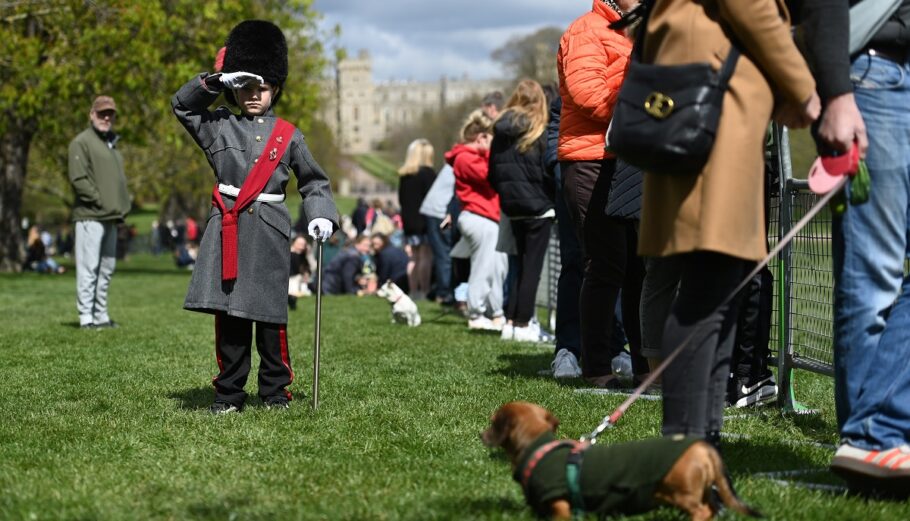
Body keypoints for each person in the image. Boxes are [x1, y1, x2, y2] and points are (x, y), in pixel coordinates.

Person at [637, 1, 818, 445]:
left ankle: (697, 448)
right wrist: (804, 90)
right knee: (708, 290)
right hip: (711, 113)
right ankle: (687, 453)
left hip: (703, 106)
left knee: (716, 287)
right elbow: (752, 8)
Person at [172, 20, 338, 414]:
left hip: (268, 229)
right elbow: (182, 105)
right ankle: (228, 393)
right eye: (245, 86)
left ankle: (275, 391)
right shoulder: (218, 125)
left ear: (275, 89)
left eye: (261, 87)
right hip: (227, 226)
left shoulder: (289, 135)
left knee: (269, 320)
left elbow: (314, 182)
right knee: (229, 320)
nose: (252, 94)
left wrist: (321, 215)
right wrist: (215, 81)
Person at [830, 0, 910, 487]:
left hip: (882, 74)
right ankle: (872, 439)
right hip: (876, 72)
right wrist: (837, 92)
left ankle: (873, 431)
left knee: (873, 274)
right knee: (873, 273)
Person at [556, 0, 639, 387]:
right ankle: (597, 368)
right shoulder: (587, 30)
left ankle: (645, 364)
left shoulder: (636, 30)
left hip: (628, 159)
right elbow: (588, 94)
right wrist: (642, 90)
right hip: (590, 160)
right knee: (604, 265)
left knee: (638, 266)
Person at [488, 79, 554, 342]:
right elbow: (546, 169)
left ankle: (511, 321)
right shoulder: (538, 129)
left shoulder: (501, 132)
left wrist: (507, 194)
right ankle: (524, 323)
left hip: (512, 206)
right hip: (538, 206)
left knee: (518, 264)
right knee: (532, 268)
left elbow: (492, 172)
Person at [68, 94, 131, 329]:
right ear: (91, 115)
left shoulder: (112, 145)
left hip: (111, 216)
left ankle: (101, 315)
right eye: (102, 113)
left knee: (106, 268)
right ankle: (86, 317)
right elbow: (79, 179)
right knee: (89, 268)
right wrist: (100, 201)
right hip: (90, 216)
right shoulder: (81, 142)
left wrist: (121, 206)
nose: (106, 117)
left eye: (110, 114)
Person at [446, 109, 507, 331]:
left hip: (489, 218)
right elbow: (489, 174)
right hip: (478, 217)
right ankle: (476, 313)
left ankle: (496, 312)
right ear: (481, 137)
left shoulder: (472, 156)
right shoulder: (464, 158)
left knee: (497, 267)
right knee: (483, 267)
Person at [397, 138, 436, 299]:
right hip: (424, 221)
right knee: (425, 256)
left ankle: (413, 291)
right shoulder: (428, 174)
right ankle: (424, 290)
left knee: (412, 258)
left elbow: (401, 199)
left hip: (409, 221)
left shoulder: (405, 176)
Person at [419, 161, 457, 305]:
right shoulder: (462, 159)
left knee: (443, 255)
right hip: (440, 213)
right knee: (445, 255)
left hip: (435, 211)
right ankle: (444, 293)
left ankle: (443, 291)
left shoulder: (454, 160)